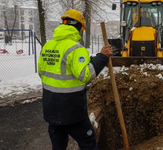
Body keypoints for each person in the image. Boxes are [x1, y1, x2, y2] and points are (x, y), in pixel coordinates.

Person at [38, 9, 112, 150]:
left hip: (51, 109)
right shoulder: (75, 49)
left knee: (58, 146)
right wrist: (102, 57)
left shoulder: (47, 46)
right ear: (78, 27)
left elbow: (42, 73)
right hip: (72, 111)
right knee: (88, 144)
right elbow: (85, 75)